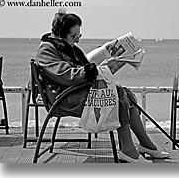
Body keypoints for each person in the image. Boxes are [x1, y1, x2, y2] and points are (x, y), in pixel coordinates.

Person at [36, 9, 170, 163]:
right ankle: (128, 150)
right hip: (62, 98)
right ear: (60, 33)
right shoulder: (46, 49)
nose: (77, 40)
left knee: (126, 94)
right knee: (117, 97)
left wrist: (102, 66)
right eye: (74, 36)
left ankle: (146, 145)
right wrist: (92, 70)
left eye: (78, 35)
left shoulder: (66, 47)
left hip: (75, 92)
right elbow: (66, 75)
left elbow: (78, 72)